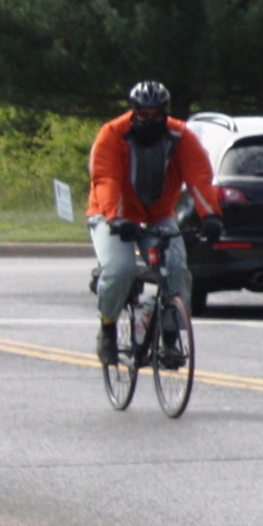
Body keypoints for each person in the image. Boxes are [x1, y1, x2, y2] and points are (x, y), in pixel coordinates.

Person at [86, 82, 218, 365]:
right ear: (133, 112)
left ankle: (170, 340)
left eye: (157, 115)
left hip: (158, 215)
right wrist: (115, 217)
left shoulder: (181, 136)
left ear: (165, 113)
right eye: (143, 115)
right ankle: (107, 328)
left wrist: (211, 216)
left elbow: (200, 178)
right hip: (112, 214)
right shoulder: (112, 134)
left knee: (178, 270)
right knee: (121, 269)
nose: (150, 120)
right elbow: (105, 178)